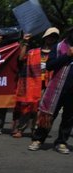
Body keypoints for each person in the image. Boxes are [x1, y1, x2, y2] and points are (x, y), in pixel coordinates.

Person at [28, 27, 73, 155]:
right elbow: (49, 66)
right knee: (48, 115)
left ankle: (61, 142)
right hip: (57, 89)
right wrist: (67, 56)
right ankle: (38, 139)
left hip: (72, 92)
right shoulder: (58, 47)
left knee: (69, 118)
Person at [11, 28, 59, 138]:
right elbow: (21, 57)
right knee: (27, 106)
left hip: (48, 85)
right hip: (31, 84)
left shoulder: (57, 53)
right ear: (45, 37)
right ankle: (20, 129)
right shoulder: (33, 52)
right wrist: (26, 42)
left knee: (40, 109)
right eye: (49, 36)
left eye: (54, 36)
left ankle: (35, 130)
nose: (51, 38)